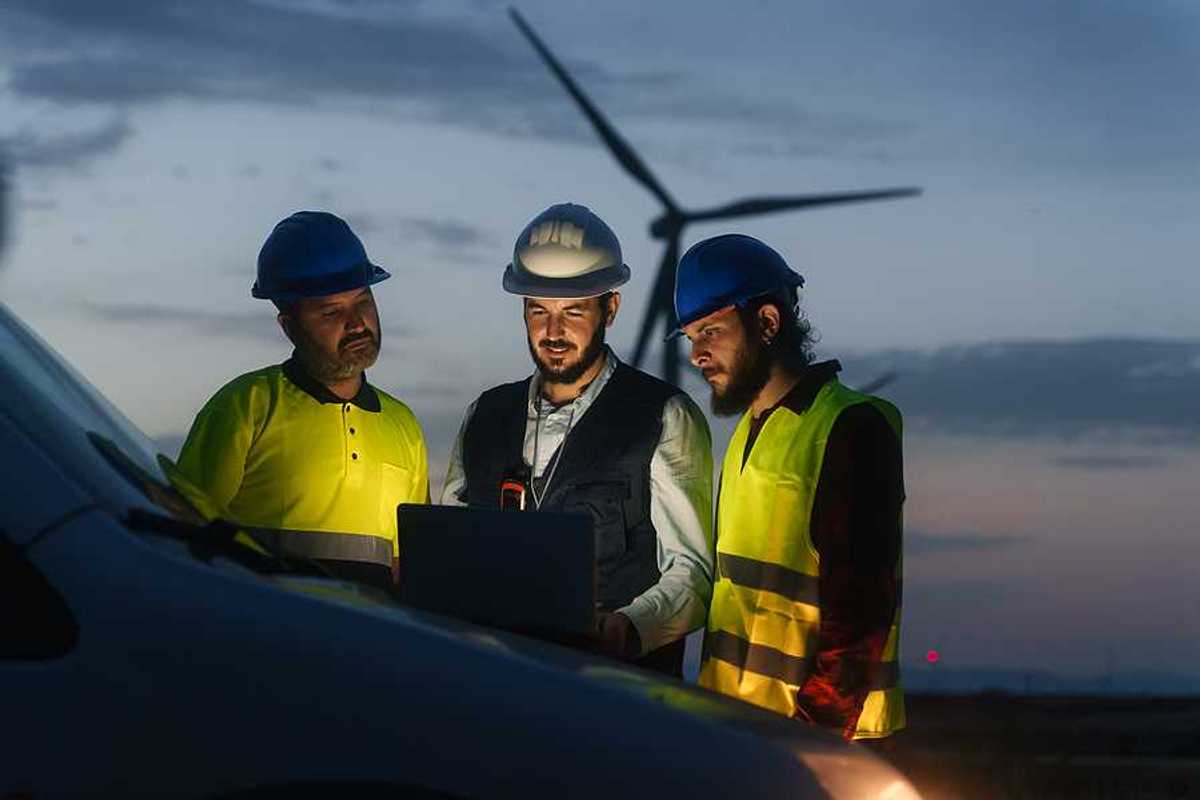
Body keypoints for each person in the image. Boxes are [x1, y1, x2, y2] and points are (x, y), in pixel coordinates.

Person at [442, 203, 713, 675]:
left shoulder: (663, 417)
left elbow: (690, 574)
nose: (553, 332)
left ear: (610, 308)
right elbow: (446, 548)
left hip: (618, 698)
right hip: (495, 685)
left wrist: (628, 628)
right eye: (537, 311)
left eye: (573, 311)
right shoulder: (484, 415)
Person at [677, 234, 904, 741]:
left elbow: (861, 612)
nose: (697, 354)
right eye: (691, 337)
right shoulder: (745, 435)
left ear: (767, 322)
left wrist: (811, 739)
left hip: (814, 744)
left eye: (710, 331)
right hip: (737, 730)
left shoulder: (850, 427)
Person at [178, 211, 428, 591]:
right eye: (331, 311)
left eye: (363, 301)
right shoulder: (245, 408)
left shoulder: (403, 426)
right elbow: (184, 539)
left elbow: (407, 565)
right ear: (288, 326)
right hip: (268, 637)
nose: (357, 322)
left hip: (370, 643)